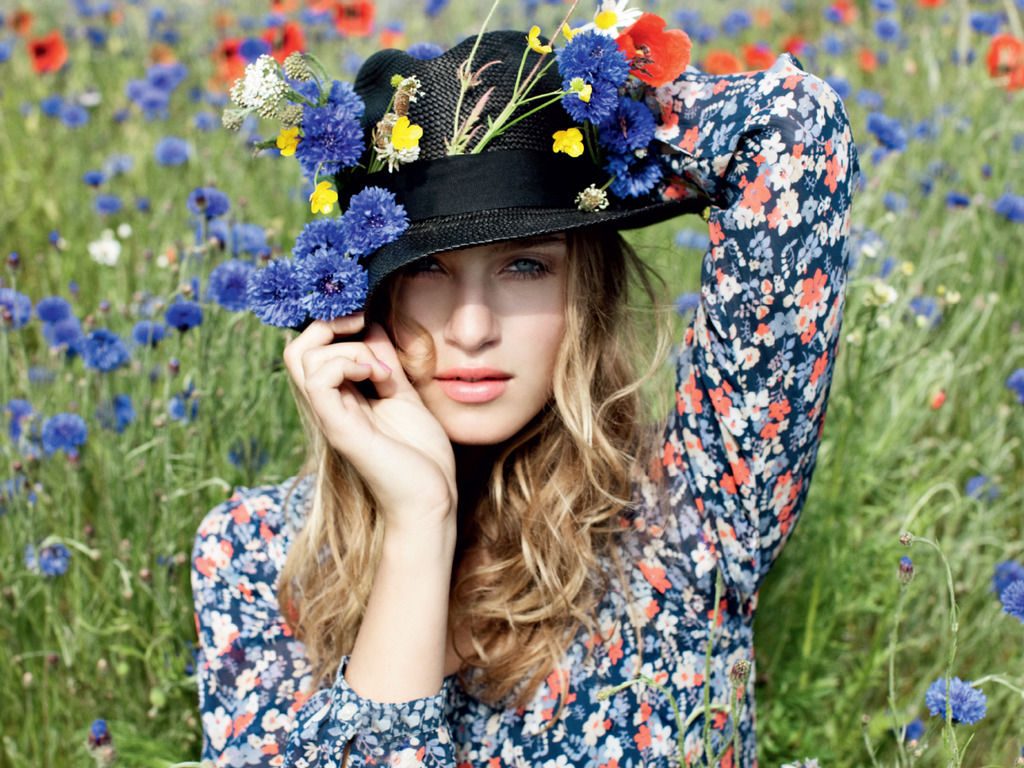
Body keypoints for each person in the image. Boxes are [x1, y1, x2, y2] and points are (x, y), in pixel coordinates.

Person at [192, 11, 860, 767]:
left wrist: (587, 114)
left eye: (526, 266)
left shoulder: (691, 522)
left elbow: (791, 125)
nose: (472, 327)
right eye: (426, 269)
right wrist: (420, 525)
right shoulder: (255, 553)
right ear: (365, 295)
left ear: (588, 291)